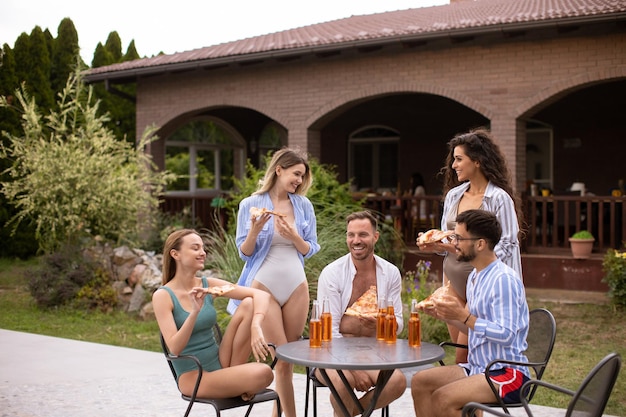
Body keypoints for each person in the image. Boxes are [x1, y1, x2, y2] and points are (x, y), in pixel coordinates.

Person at [226, 147, 320, 417]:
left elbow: (310, 248)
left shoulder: (303, 205)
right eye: (295, 174)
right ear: (279, 169)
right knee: (282, 358)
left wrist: (293, 236)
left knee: (287, 362)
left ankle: (277, 414)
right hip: (263, 287)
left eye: (302, 176)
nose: (299, 181)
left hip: (296, 286)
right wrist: (255, 230)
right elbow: (244, 252)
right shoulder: (250, 204)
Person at [417, 128, 523, 363]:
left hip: (483, 284)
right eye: (453, 159)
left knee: (466, 353)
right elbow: (450, 239)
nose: (453, 165)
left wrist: (478, 258)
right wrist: (436, 244)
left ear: (477, 161)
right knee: (460, 351)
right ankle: (464, 395)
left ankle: (467, 393)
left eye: (458, 159)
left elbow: (508, 243)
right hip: (453, 280)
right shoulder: (455, 195)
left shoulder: (498, 198)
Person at [411, 209, 530, 417]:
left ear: (480, 244)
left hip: (507, 373)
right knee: (420, 382)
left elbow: (507, 334)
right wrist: (446, 315)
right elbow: (470, 325)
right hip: (477, 367)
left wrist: (463, 315)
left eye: (458, 238)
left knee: (443, 397)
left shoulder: (503, 280)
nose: (454, 243)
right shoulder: (475, 277)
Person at [152, 229, 285, 401]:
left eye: (203, 248)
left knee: (249, 304)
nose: (202, 253)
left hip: (221, 362)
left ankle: (236, 376)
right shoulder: (163, 296)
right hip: (195, 376)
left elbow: (261, 295)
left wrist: (256, 325)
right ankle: (241, 384)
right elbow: (175, 349)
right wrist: (194, 312)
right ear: (175, 254)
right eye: (195, 248)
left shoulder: (209, 285)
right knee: (264, 373)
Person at [316, 210, 406, 417]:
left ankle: (347, 412)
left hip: (372, 351)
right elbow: (328, 332)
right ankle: (344, 407)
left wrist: (382, 323)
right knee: (344, 380)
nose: (356, 240)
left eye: (363, 235)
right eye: (351, 235)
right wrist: (354, 369)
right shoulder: (333, 273)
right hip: (330, 352)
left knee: (397, 381)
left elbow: (399, 323)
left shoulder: (390, 272)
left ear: (375, 237)